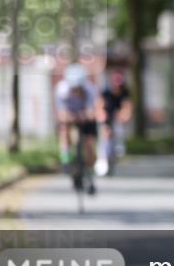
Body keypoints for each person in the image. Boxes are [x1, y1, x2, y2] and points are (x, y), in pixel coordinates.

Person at [54, 63, 99, 194]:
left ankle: (90, 175)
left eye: (78, 88)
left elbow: (92, 111)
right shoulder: (61, 90)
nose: (75, 90)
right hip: (70, 116)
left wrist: (86, 115)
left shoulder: (90, 89)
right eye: (73, 88)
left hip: (85, 117)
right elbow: (61, 113)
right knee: (64, 131)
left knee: (90, 145)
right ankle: (66, 160)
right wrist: (69, 117)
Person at [95, 69, 132, 176]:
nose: (118, 87)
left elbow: (127, 107)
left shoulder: (125, 93)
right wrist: (101, 115)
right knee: (105, 135)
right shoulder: (106, 93)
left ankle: (119, 145)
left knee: (119, 125)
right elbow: (99, 106)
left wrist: (125, 116)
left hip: (117, 118)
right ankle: (102, 157)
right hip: (106, 116)